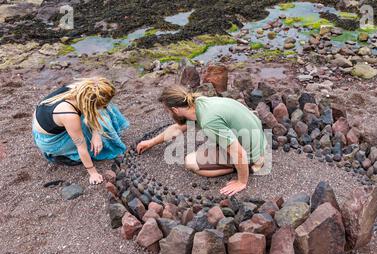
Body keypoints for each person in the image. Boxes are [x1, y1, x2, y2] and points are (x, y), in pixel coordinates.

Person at [137, 85, 266, 196]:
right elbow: (177, 127)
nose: (169, 114)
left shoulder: (208, 121)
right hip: (258, 140)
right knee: (212, 142)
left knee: (190, 162)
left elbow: (238, 153)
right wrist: (150, 142)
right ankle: (247, 162)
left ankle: (247, 167)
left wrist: (241, 182)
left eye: (168, 111)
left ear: (175, 110)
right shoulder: (199, 103)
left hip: (247, 153)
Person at [32, 77, 129, 185]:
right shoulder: (69, 114)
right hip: (51, 140)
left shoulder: (84, 88)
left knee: (105, 108)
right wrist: (93, 173)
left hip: (54, 121)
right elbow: (81, 146)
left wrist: (96, 133)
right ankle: (59, 155)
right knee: (101, 124)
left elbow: (96, 109)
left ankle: (97, 126)